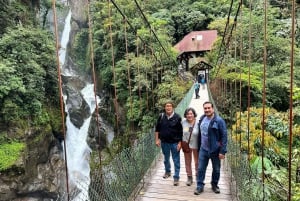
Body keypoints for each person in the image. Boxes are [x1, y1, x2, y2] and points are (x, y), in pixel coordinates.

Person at [194, 101, 228, 195]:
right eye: (205, 108)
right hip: (203, 149)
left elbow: (224, 136)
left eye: (209, 108)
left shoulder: (219, 121)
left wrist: (223, 151)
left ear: (212, 109)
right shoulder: (202, 118)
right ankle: (199, 186)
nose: (207, 110)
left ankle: (214, 185)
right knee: (201, 168)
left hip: (215, 150)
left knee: (216, 169)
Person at [155, 100, 183, 186]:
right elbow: (157, 130)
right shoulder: (161, 116)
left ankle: (176, 177)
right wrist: (157, 139)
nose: (168, 107)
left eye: (170, 106)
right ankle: (167, 172)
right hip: (164, 142)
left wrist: (180, 143)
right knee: (166, 159)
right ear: (165, 107)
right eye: (167, 106)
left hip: (175, 143)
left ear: (173, 107)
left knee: (176, 160)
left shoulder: (177, 117)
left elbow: (181, 131)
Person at [182, 107, 199, 186]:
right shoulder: (183, 122)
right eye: (188, 114)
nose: (189, 115)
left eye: (191, 114)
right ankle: (189, 177)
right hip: (186, 144)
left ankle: (198, 176)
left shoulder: (198, 122)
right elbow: (180, 133)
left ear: (194, 114)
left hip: (196, 144)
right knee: (187, 162)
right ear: (185, 115)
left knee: (197, 162)